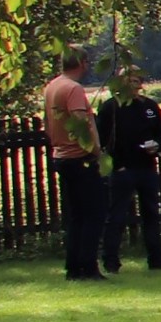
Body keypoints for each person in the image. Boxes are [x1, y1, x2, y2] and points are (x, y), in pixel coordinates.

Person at [95, 63, 161, 272]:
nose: (135, 84)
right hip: (122, 170)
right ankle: (111, 261)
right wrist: (116, 165)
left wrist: (157, 145)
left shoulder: (149, 106)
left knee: (151, 214)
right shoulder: (111, 108)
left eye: (138, 80)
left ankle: (156, 260)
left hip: (147, 167)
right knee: (117, 216)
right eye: (131, 80)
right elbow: (101, 140)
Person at [44, 53, 107, 282]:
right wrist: (96, 151)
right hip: (80, 157)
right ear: (81, 63)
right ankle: (88, 267)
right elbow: (81, 122)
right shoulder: (73, 89)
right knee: (94, 213)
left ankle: (73, 267)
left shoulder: (51, 87)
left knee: (76, 215)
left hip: (61, 156)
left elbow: (47, 122)